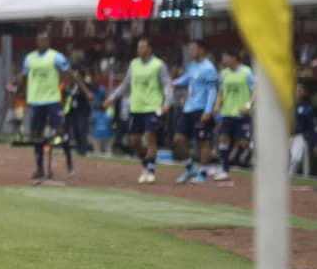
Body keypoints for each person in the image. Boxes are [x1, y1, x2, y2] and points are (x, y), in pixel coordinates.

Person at [106, 38, 173, 183]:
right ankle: (145, 163)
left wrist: (166, 104)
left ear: (150, 49)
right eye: (138, 47)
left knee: (150, 136)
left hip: (152, 107)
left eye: (142, 47)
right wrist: (112, 97)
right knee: (134, 141)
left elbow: (167, 85)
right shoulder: (133, 64)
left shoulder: (158, 65)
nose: (139, 50)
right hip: (136, 107)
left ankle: (151, 169)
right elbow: (125, 84)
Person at [20, 30, 73, 180]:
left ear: (49, 42)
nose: (42, 42)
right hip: (36, 101)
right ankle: (39, 168)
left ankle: (69, 160)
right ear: (37, 41)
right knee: (37, 134)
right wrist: (18, 92)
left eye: (45, 40)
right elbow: (24, 78)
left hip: (52, 100)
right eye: (40, 40)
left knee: (60, 130)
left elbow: (68, 72)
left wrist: (74, 87)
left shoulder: (56, 56)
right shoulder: (29, 58)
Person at [172, 39, 218, 184]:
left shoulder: (209, 68)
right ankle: (190, 167)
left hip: (201, 109)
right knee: (178, 139)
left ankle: (203, 174)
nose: (190, 52)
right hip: (188, 108)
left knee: (203, 142)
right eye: (189, 49)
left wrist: (208, 110)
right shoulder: (192, 66)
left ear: (201, 50)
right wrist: (172, 82)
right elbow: (187, 79)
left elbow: (212, 90)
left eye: (193, 49)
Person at [210, 50, 254, 182]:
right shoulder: (223, 74)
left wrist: (248, 105)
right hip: (227, 113)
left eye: (225, 58)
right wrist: (217, 105)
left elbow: (255, 91)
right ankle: (225, 169)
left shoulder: (247, 72)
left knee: (243, 143)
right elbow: (220, 93)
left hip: (242, 115)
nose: (223, 61)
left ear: (234, 58)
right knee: (223, 139)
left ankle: (256, 156)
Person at [289, 82, 317, 177]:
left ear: (304, 93)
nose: (298, 92)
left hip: (299, 136)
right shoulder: (289, 104)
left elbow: (312, 127)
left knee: (295, 158)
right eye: (297, 90)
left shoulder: (307, 108)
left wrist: (315, 144)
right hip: (286, 135)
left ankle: (290, 177)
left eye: (300, 90)